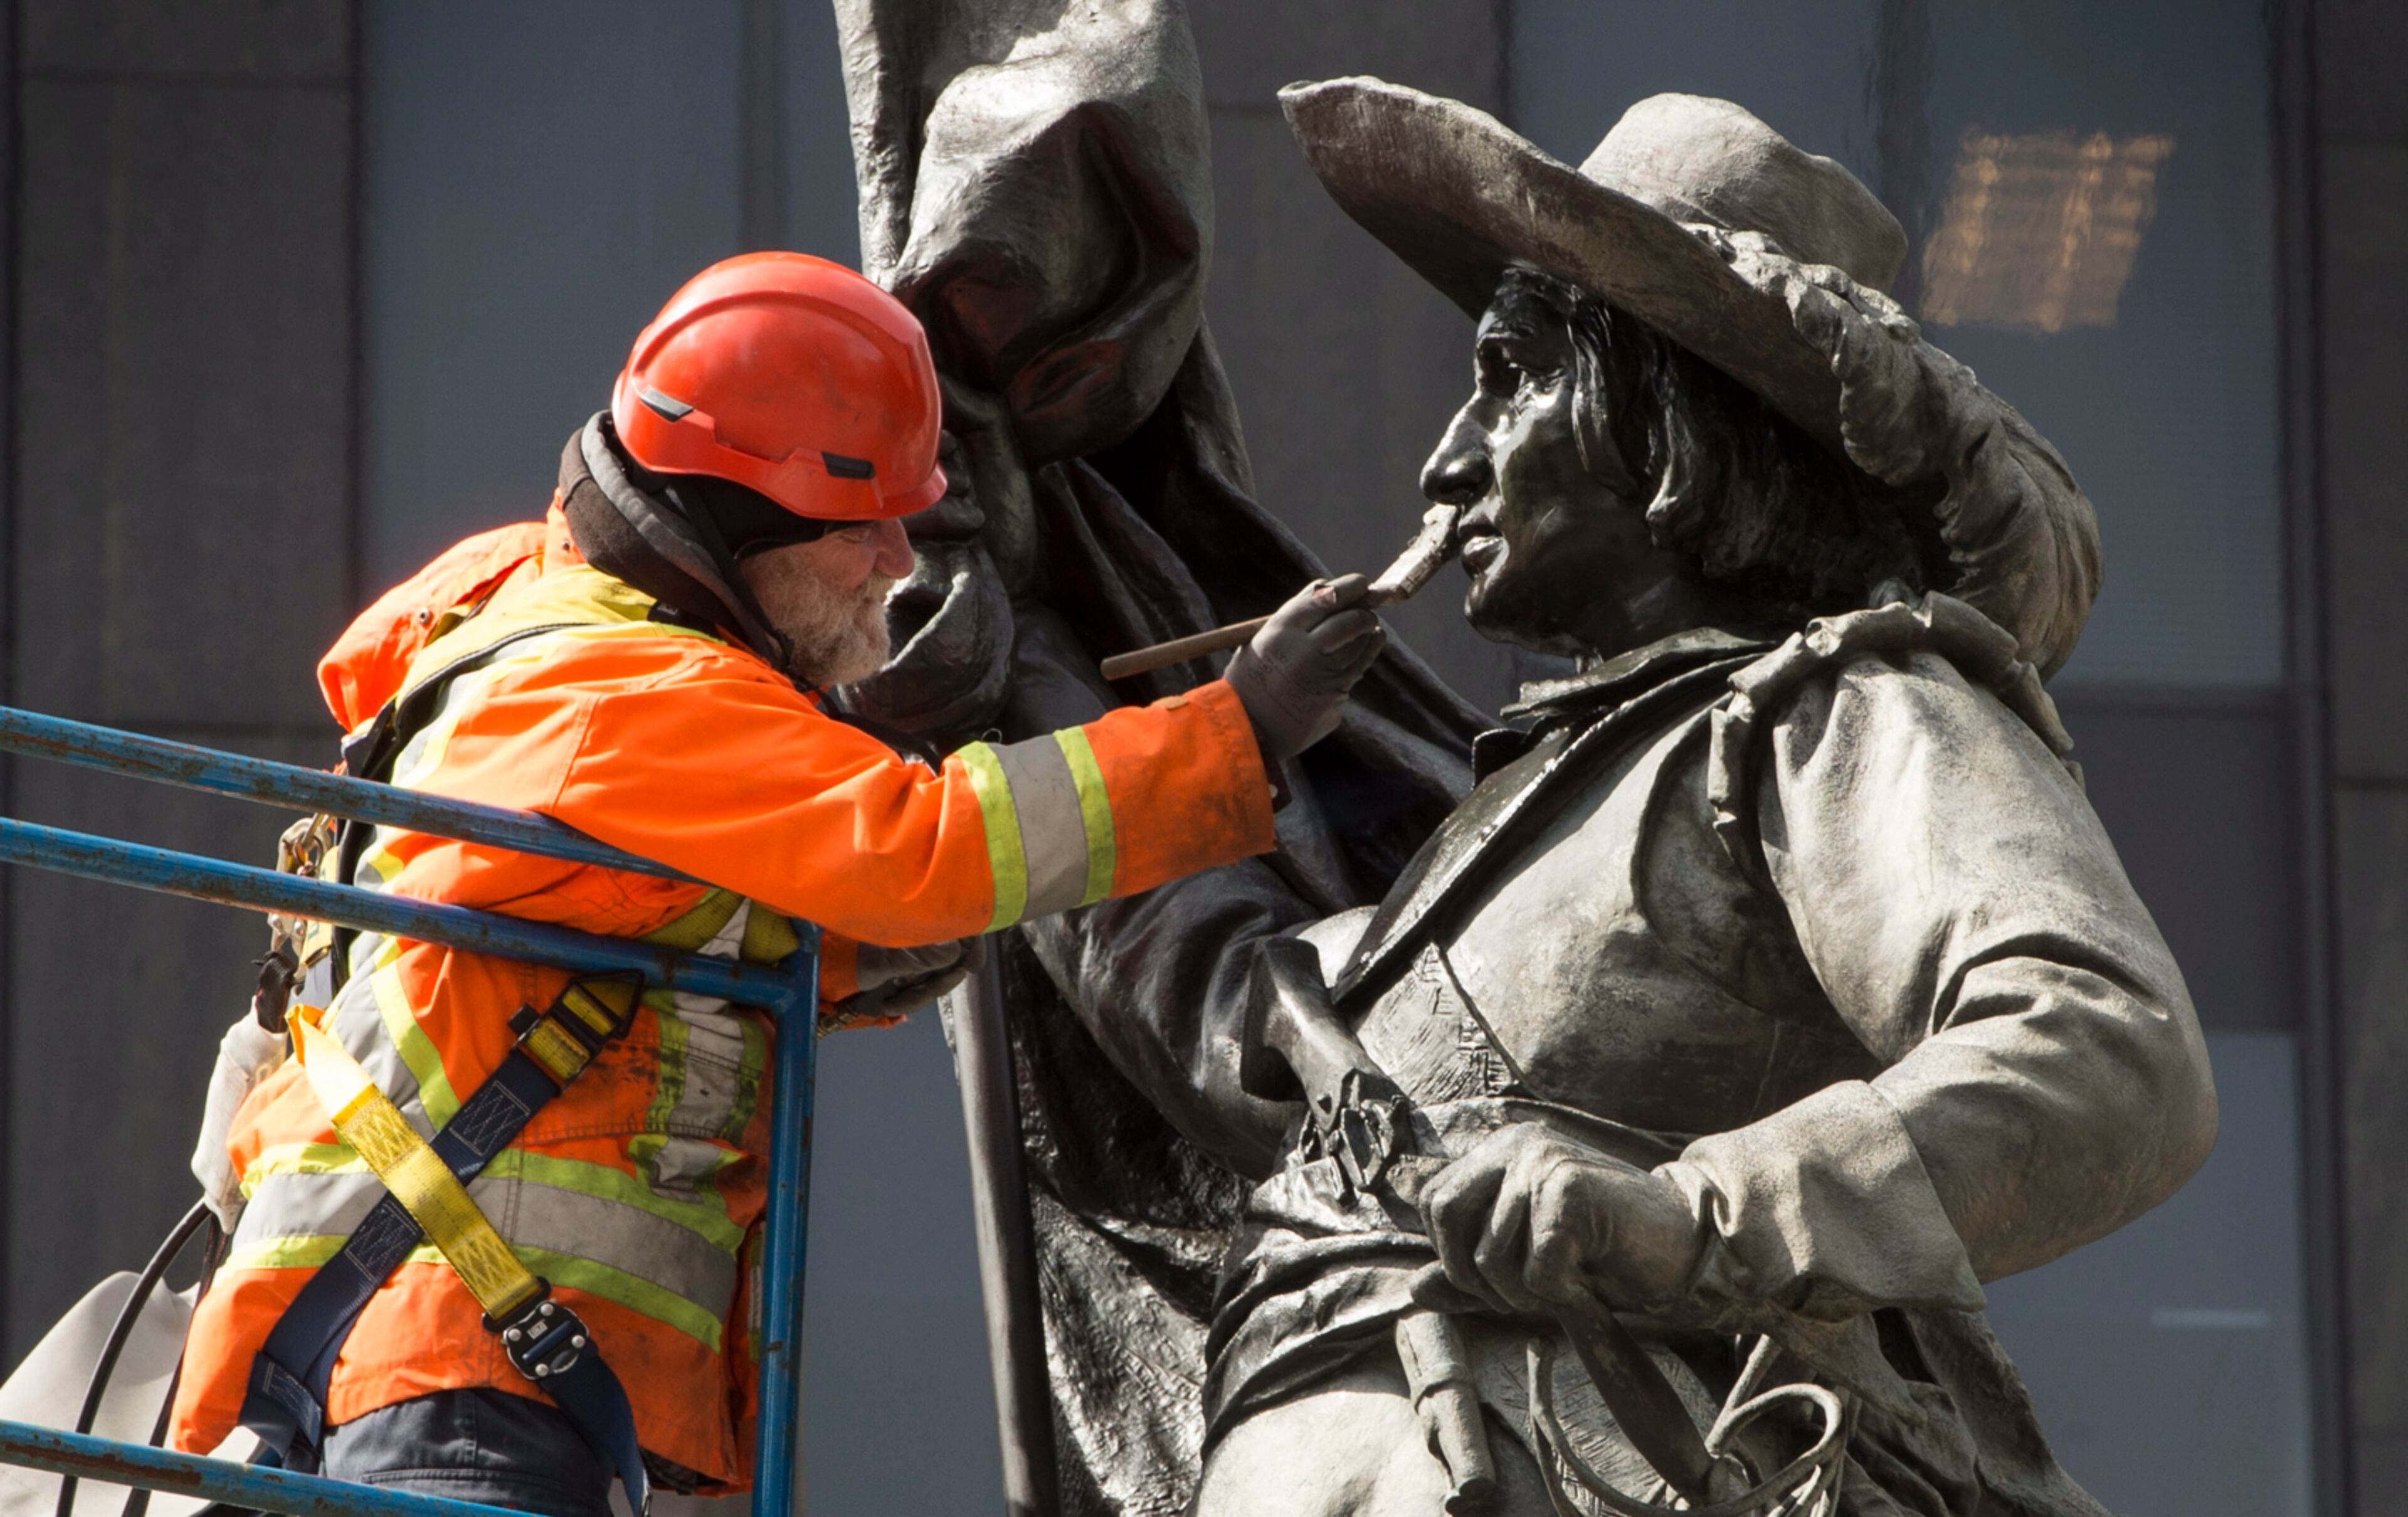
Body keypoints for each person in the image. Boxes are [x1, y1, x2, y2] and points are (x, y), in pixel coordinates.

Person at [1013, 85, 2216, 1515]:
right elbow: (1246, 1010)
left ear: (1665, 421)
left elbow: (2108, 1045)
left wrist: (1689, 1211)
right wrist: (1010, 658)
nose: (1447, 459)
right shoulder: (1499, 842)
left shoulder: (1834, 714)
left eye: (1511, 376)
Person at [165, 251, 1386, 1517]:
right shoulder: (626, 694)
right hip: (461, 1370)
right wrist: (1235, 730)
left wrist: (874, 946)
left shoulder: (536, 636)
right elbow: (926, 851)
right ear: (741, 527)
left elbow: (681, 910)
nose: (897, 562)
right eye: (866, 526)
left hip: (455, 1360)